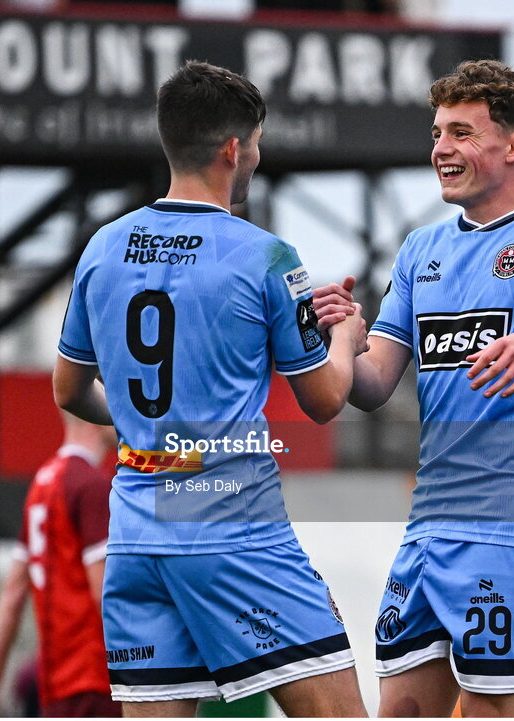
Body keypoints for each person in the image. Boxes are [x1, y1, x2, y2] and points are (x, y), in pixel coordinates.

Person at [53, 61, 369, 717]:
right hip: (231, 523)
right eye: (255, 142)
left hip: (137, 531)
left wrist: (150, 430)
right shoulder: (266, 256)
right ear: (233, 149)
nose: (257, 154)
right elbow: (325, 400)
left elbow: (69, 389)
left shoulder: (102, 249)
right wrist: (345, 337)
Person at [315, 59, 514, 717]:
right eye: (437, 133)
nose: (441, 150)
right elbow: (372, 384)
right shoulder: (421, 250)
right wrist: (341, 334)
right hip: (430, 525)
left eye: (460, 132)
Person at [0, 412, 121, 718]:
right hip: (95, 679)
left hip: (55, 684)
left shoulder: (43, 482)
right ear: (93, 416)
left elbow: (13, 593)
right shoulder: (92, 485)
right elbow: (106, 593)